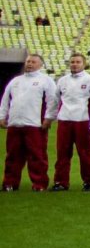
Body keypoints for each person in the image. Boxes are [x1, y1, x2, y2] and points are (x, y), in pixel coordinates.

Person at [0, 53, 58, 191]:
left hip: (35, 124)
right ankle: (10, 183)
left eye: (33, 62)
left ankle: (39, 183)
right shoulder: (16, 81)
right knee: (12, 156)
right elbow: (5, 99)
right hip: (15, 123)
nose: (30, 64)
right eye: (28, 61)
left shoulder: (46, 81)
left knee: (37, 155)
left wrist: (49, 118)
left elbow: (52, 101)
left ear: (40, 65)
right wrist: (2, 116)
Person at [52, 53, 90, 191]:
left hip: (82, 121)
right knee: (62, 153)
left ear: (84, 64)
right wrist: (51, 117)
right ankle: (61, 182)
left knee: (85, 153)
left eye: (78, 62)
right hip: (64, 121)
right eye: (72, 62)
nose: (74, 64)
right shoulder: (62, 81)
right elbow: (56, 100)